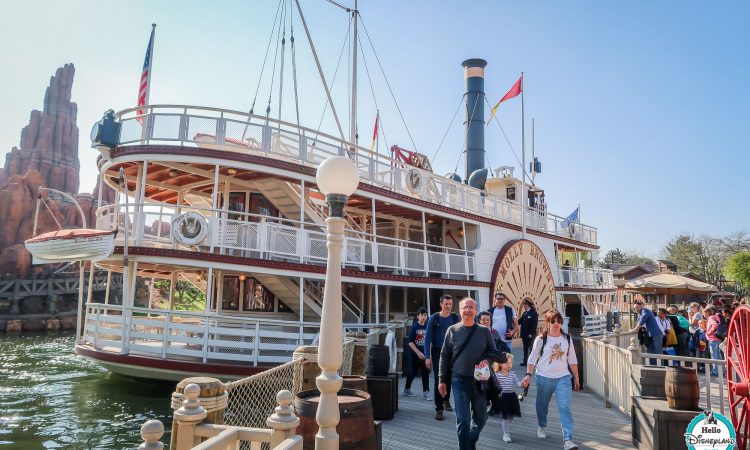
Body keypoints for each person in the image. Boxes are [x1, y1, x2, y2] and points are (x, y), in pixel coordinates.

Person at [438, 297, 505, 450]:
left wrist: (486, 361)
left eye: (471, 307)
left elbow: (493, 353)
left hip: (480, 382)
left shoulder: (484, 331)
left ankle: (471, 440)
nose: (467, 310)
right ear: (460, 311)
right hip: (459, 380)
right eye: (464, 308)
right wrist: (441, 379)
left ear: (475, 311)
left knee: (481, 418)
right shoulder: (452, 330)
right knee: (462, 420)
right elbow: (444, 355)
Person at [522, 309, 580, 450]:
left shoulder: (567, 338)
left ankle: (568, 440)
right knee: (542, 406)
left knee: (564, 407)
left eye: (558, 321)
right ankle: (542, 425)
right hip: (544, 377)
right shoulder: (541, 339)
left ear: (561, 322)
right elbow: (532, 358)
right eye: (552, 321)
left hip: (564, 377)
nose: (556, 323)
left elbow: (572, 359)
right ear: (548, 322)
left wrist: (576, 378)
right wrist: (528, 375)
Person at [425, 294, 460, 420]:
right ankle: (439, 408)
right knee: (438, 378)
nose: (448, 306)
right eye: (446, 304)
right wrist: (427, 357)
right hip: (438, 351)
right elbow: (427, 338)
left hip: (452, 351)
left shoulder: (455, 317)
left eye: (450, 304)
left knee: (449, 377)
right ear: (441, 304)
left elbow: (461, 334)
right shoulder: (434, 318)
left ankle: (446, 400)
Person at [492, 352, 523, 443]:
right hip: (503, 397)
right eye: (507, 363)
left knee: (512, 415)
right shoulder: (497, 375)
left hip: (512, 396)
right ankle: (506, 434)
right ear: (500, 364)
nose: (509, 365)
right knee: (506, 417)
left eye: (510, 363)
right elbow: (494, 386)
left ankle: (506, 427)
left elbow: (517, 383)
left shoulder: (512, 374)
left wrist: (522, 384)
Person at [404, 307, 430, 400]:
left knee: (425, 373)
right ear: (418, 316)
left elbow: (430, 341)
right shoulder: (414, 327)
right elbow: (410, 342)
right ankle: (407, 389)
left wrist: (428, 354)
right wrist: (418, 353)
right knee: (412, 372)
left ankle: (426, 392)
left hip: (425, 354)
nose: (423, 317)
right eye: (421, 315)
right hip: (415, 354)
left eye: (425, 315)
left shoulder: (428, 327)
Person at [631, 300, 664, 366]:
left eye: (637, 307)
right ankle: (653, 366)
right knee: (650, 351)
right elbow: (638, 323)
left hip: (656, 334)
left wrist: (634, 330)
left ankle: (661, 367)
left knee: (658, 351)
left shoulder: (645, 311)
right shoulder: (639, 314)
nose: (636, 309)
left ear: (641, 306)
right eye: (635, 308)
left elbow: (641, 321)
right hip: (649, 335)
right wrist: (638, 329)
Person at [519, 298, 539, 366]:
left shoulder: (533, 313)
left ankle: (532, 362)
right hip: (524, 334)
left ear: (527, 304)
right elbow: (520, 322)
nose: (523, 306)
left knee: (531, 349)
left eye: (524, 304)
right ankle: (525, 361)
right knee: (525, 348)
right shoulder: (524, 313)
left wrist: (531, 333)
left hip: (530, 335)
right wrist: (514, 321)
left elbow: (534, 324)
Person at [705, 306, 723, 377]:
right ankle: (723, 370)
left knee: (713, 355)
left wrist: (709, 332)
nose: (704, 315)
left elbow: (714, 325)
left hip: (712, 338)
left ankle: (715, 371)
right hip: (717, 338)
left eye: (704, 313)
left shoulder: (710, 317)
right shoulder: (717, 316)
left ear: (707, 312)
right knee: (718, 355)